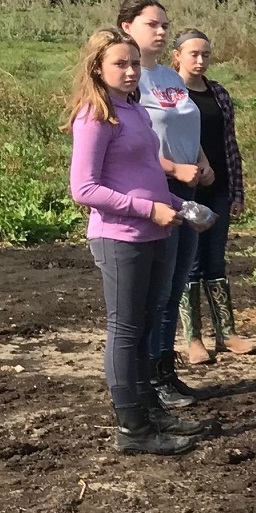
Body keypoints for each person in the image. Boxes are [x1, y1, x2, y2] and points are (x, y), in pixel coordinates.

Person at [67, 27, 202, 456]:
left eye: (133, 64)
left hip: (156, 232)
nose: (129, 71)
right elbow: (83, 189)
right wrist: (148, 209)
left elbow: (145, 174)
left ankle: (148, 408)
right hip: (120, 237)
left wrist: (179, 205)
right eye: (119, 64)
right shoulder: (95, 116)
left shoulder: (135, 111)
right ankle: (132, 428)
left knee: (145, 324)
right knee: (125, 330)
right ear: (98, 68)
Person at [118, 0, 208, 411]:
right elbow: (132, 143)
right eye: (152, 24)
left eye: (164, 26)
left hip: (188, 189)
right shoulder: (130, 81)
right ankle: (150, 373)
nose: (160, 31)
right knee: (158, 290)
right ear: (127, 28)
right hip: (158, 193)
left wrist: (201, 161)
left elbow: (188, 122)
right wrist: (173, 168)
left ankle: (165, 369)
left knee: (176, 285)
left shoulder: (170, 77)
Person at [168, 28, 256, 366]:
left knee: (215, 261)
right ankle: (193, 338)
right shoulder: (170, 94)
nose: (200, 60)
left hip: (219, 187)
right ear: (176, 56)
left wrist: (237, 190)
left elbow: (230, 145)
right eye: (193, 54)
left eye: (205, 54)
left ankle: (227, 332)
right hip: (187, 188)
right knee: (190, 263)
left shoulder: (218, 93)